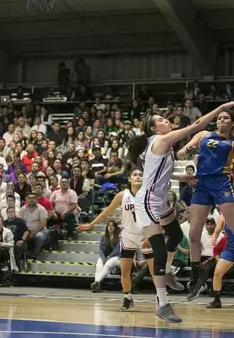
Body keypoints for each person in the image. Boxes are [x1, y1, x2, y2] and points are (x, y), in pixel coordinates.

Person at [128, 101, 234, 323]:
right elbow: (196, 125)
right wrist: (221, 107)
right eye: (160, 120)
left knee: (176, 235)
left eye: (164, 118)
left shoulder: (157, 144)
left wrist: (181, 178)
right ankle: (162, 304)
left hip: (159, 199)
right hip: (147, 201)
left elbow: (157, 173)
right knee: (158, 250)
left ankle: (165, 272)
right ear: (155, 129)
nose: (165, 120)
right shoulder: (162, 140)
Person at [78, 168, 159, 311]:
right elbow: (107, 211)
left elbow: (155, 216)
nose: (138, 177)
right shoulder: (122, 195)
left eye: (140, 175)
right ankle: (128, 298)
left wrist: (151, 234)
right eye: (135, 174)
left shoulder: (148, 195)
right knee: (125, 271)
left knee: (154, 271)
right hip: (127, 235)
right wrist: (91, 224)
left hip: (144, 235)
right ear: (129, 178)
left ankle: (161, 299)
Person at [177, 103, 234, 301]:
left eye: (226, 118)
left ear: (232, 123)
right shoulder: (203, 136)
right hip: (201, 185)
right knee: (193, 234)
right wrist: (188, 150)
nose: (221, 120)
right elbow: (181, 153)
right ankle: (196, 279)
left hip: (222, 185)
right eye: (220, 117)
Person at [207, 215, 234, 308]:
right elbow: (217, 231)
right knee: (217, 273)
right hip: (230, 250)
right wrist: (214, 237)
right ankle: (217, 301)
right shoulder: (224, 215)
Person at [90, 220, 120, 293]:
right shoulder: (103, 237)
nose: (110, 227)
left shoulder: (119, 237)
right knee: (98, 266)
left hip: (116, 257)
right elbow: (100, 249)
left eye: (112, 225)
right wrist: (103, 257)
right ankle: (97, 286)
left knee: (108, 264)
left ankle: (96, 282)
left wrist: (109, 257)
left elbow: (117, 250)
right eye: (109, 225)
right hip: (104, 256)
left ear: (115, 227)